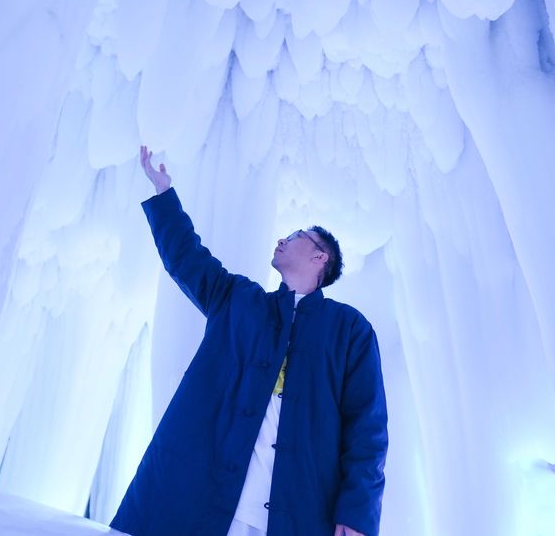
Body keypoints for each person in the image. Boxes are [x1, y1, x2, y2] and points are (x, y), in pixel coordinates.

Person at [110, 146, 388, 536]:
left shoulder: (350, 331)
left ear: (320, 257)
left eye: (297, 235)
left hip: (296, 515)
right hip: (204, 503)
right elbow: (188, 258)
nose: (283, 239)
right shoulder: (238, 300)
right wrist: (163, 195)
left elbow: (368, 429)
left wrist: (358, 513)